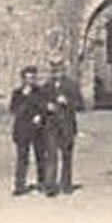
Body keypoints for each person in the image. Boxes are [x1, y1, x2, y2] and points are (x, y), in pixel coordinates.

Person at [43, 57, 84, 196]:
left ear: (63, 70)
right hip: (51, 126)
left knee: (67, 156)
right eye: (54, 70)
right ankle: (50, 186)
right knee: (51, 155)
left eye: (59, 70)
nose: (56, 73)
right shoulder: (46, 86)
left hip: (67, 125)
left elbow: (80, 105)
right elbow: (39, 104)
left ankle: (66, 184)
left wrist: (68, 102)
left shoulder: (72, 85)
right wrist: (46, 106)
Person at [9, 65, 48, 195]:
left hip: (38, 130)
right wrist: (24, 97)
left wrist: (40, 116)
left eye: (33, 77)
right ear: (23, 79)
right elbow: (14, 110)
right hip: (22, 130)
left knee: (40, 157)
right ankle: (19, 185)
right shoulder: (17, 93)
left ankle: (42, 182)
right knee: (22, 158)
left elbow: (44, 108)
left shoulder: (40, 92)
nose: (31, 80)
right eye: (28, 78)